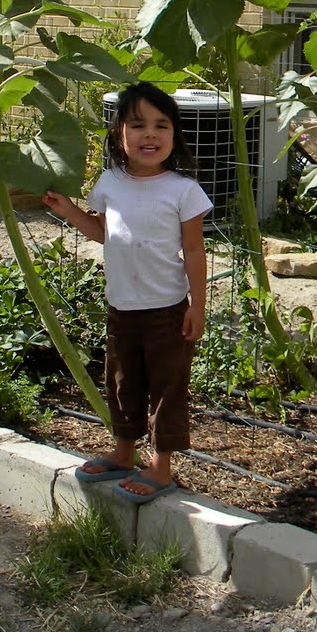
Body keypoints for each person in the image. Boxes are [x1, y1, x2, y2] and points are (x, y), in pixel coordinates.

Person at [43, 83, 211, 503]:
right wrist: (68, 210)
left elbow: (194, 250)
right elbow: (104, 232)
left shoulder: (183, 190)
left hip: (167, 311)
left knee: (166, 388)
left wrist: (198, 306)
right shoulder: (110, 182)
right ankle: (123, 453)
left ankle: (161, 466)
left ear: (175, 135)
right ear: (119, 134)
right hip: (121, 307)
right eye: (137, 125)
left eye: (161, 125)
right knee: (122, 383)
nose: (149, 134)